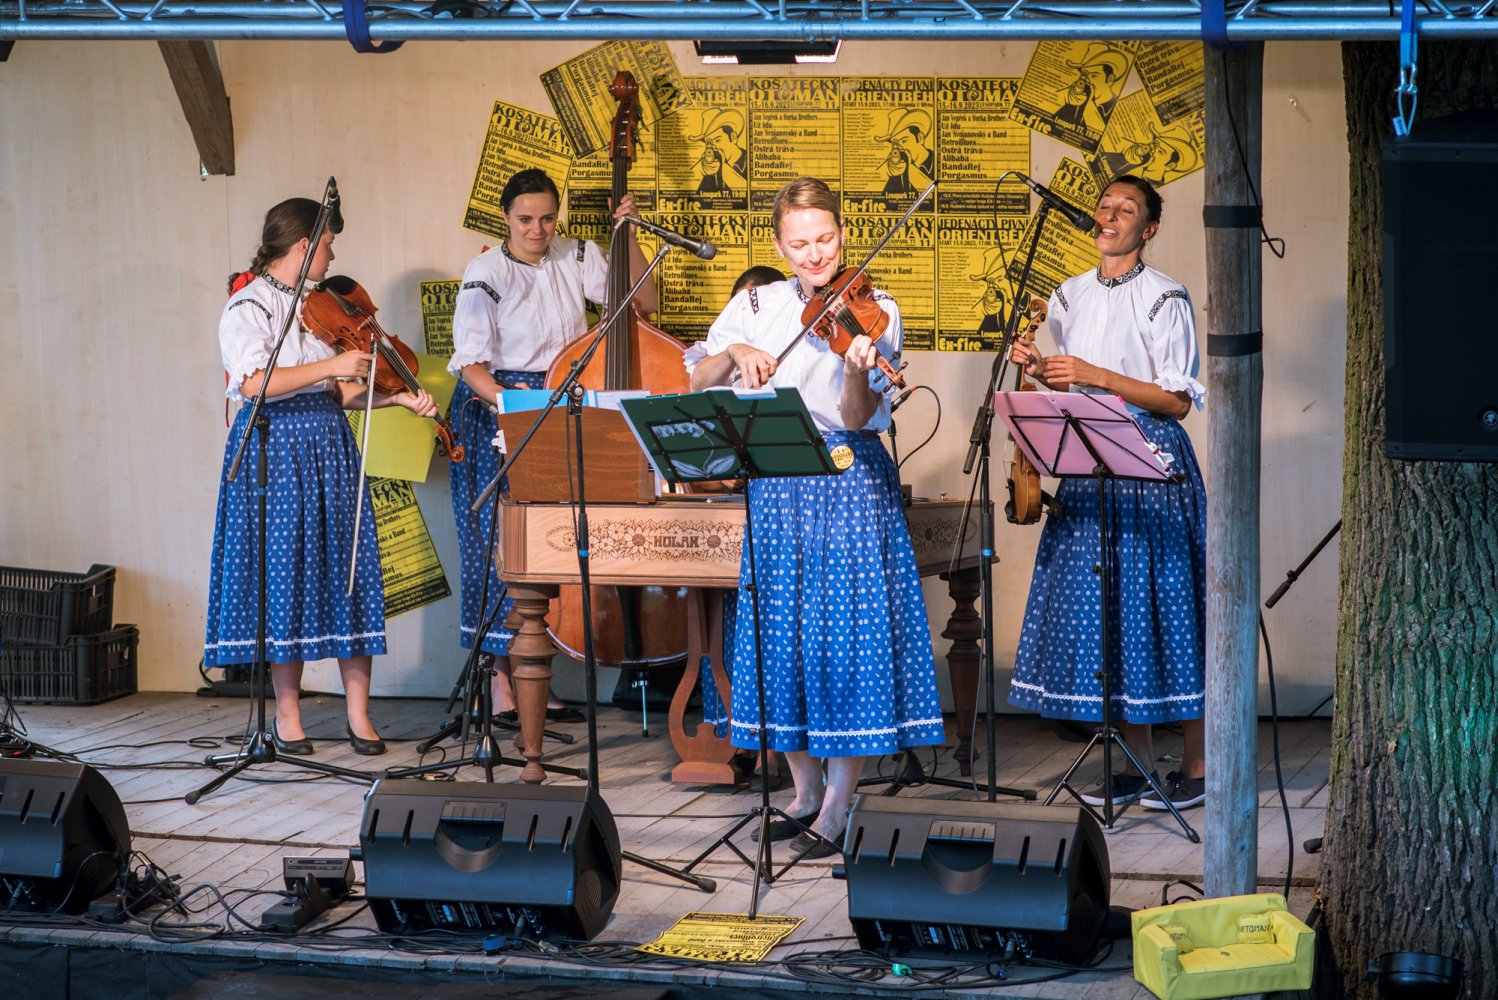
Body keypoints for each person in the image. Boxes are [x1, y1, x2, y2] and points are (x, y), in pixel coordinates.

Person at [689, 178, 944, 856]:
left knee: (846, 640)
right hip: (776, 482)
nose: (815, 254)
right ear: (779, 245)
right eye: (799, 243)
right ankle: (802, 794)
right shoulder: (755, 303)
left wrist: (858, 370)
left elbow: (857, 417)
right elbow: (698, 379)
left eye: (825, 239)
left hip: (846, 479)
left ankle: (836, 806)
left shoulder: (876, 308)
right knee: (782, 639)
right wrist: (734, 353)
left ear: (843, 233)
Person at [205, 196, 439, 757]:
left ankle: (359, 715)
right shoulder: (248, 306)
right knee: (285, 574)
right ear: (305, 244)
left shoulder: (318, 308)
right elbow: (253, 383)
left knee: (348, 569)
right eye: (328, 245)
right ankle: (288, 716)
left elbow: (342, 392)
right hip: (275, 446)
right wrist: (332, 364)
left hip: (329, 444)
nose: (332, 257)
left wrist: (398, 400)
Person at [1006, 174, 1208, 810]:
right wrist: (1040, 370)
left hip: (1149, 462)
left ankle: (1200, 765)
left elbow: (1176, 400)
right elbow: (1073, 390)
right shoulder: (1067, 296)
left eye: (1127, 209)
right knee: (1109, 614)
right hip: (1090, 457)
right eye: (1104, 205)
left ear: (1148, 229)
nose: (1110, 215)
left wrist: (1094, 373)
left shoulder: (1164, 295)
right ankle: (1137, 763)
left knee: (1167, 609)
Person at [447, 168, 658, 723]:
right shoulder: (485, 271)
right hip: (498, 404)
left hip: (559, 394)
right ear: (505, 217)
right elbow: (470, 365)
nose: (537, 230)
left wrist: (628, 234)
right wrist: (513, 405)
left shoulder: (577, 254)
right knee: (496, 545)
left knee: (548, 544)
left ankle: (534, 676)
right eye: (525, 219)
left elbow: (643, 303)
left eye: (546, 218)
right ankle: (500, 682)